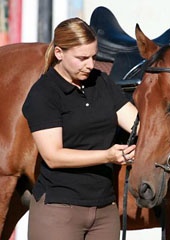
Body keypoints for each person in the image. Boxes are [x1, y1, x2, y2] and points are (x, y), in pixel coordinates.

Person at [22, 17, 138, 240]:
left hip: (105, 211)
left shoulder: (101, 82)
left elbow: (137, 125)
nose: (91, 64)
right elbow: (53, 156)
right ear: (59, 53)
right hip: (58, 211)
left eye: (94, 56)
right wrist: (108, 155)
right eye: (82, 58)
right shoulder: (44, 93)